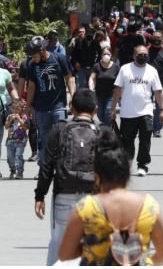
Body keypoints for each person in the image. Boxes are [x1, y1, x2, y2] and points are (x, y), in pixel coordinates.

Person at [58, 128, 163, 265]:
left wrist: (91, 247)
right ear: (128, 174)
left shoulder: (86, 207)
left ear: (97, 177)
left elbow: (65, 253)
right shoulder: (150, 206)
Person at [34, 89, 100, 266]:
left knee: (58, 243)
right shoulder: (102, 131)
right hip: (93, 199)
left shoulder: (60, 128)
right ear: (95, 110)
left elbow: (46, 165)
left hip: (63, 195)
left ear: (71, 108)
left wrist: (39, 196)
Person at [112, 45, 163, 177]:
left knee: (145, 139)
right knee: (127, 141)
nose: (143, 56)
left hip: (146, 111)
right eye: (140, 54)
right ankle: (127, 163)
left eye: (145, 54)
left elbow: (157, 91)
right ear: (134, 55)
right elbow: (117, 89)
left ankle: (143, 165)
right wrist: (113, 108)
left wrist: (162, 109)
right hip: (127, 112)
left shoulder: (152, 70)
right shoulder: (125, 69)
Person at [25, 36, 75, 168]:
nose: (32, 58)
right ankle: (44, 168)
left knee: (59, 137)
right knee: (44, 138)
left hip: (58, 105)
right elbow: (31, 86)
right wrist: (27, 107)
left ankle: (61, 167)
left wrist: (73, 97)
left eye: (34, 55)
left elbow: (69, 78)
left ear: (42, 51)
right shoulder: (32, 65)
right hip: (41, 108)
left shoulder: (59, 58)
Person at [148, 30, 163, 138]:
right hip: (147, 83)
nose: (156, 39)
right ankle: (146, 126)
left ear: (162, 39)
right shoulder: (146, 50)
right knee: (146, 104)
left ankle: (157, 129)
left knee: (160, 107)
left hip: (162, 83)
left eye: (159, 37)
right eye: (155, 37)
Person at [88, 47, 120, 125]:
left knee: (107, 114)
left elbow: (119, 81)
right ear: (101, 55)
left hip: (111, 95)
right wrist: (91, 89)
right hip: (99, 95)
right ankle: (103, 130)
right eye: (104, 54)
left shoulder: (116, 67)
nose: (106, 55)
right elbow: (91, 78)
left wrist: (119, 94)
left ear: (111, 55)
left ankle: (107, 131)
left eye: (108, 54)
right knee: (100, 115)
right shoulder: (97, 66)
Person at [17, 58, 38, 162]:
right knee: (28, 125)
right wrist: (19, 99)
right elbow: (21, 82)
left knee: (38, 126)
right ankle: (33, 152)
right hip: (27, 98)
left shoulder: (44, 62)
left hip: (41, 98)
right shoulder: (25, 63)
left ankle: (38, 152)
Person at [5, 100, 29, 179]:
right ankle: (13, 170)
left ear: (21, 109)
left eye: (17, 109)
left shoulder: (24, 116)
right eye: (14, 109)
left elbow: (26, 127)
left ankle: (20, 172)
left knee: (18, 156)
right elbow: (6, 127)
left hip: (21, 140)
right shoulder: (10, 116)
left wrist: (19, 119)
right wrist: (10, 120)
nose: (15, 111)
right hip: (10, 140)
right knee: (10, 157)